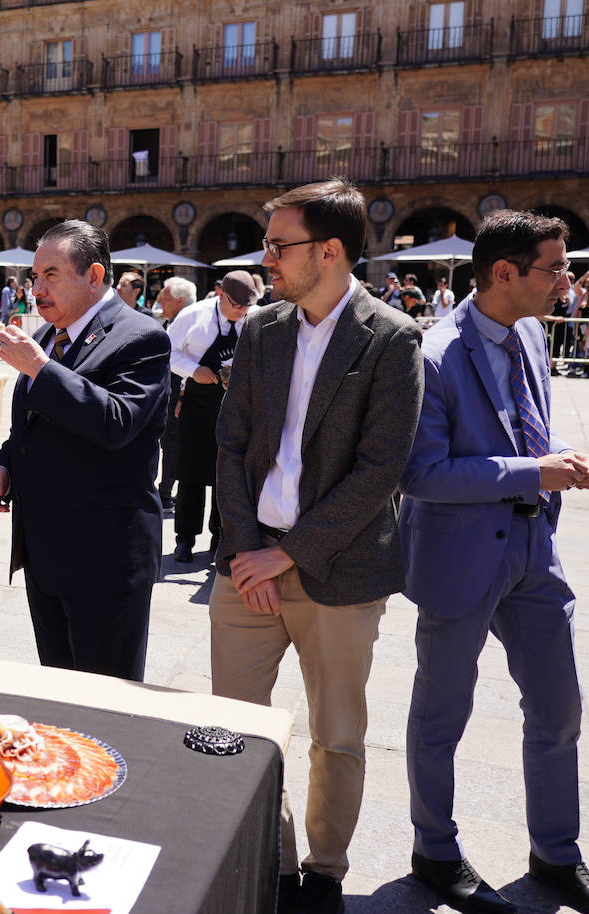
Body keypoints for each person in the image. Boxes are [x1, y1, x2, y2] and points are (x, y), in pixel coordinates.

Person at [211, 179, 423, 914]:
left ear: (329, 252)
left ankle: (323, 874)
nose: (266, 258)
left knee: (336, 737)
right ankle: (269, 862)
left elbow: (381, 469)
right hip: (246, 567)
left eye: (279, 245)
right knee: (236, 728)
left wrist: (290, 552)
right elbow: (231, 443)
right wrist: (248, 549)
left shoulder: (392, 338)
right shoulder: (261, 329)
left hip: (339, 570)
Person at [399, 210, 589, 914]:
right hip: (459, 554)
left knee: (560, 707)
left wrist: (554, 461)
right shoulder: (435, 355)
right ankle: (433, 850)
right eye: (554, 269)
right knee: (442, 713)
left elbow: (526, 424)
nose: (565, 283)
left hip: (534, 551)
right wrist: (532, 471)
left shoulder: (534, 333)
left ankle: (556, 854)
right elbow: (422, 476)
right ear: (504, 272)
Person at [0, 221, 170, 681]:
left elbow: (117, 423)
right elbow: (32, 420)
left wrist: (39, 369)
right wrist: (5, 461)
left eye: (51, 275)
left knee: (106, 705)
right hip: (45, 553)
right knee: (59, 695)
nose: (37, 289)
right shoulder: (50, 335)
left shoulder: (140, 337)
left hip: (104, 560)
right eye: (34, 277)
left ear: (94, 276)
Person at [166, 271, 258, 562]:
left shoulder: (257, 318)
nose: (242, 310)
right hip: (198, 404)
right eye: (236, 304)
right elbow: (166, 351)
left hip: (238, 406)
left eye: (246, 305)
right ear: (220, 294)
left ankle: (221, 537)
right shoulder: (193, 316)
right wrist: (194, 370)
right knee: (191, 473)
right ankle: (185, 539)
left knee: (228, 474)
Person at [152, 276, 197, 512]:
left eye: (165, 298)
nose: (161, 303)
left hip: (180, 394)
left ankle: (166, 494)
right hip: (168, 393)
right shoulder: (173, 322)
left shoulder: (190, 324)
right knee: (169, 443)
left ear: (180, 301)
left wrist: (180, 395)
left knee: (173, 444)